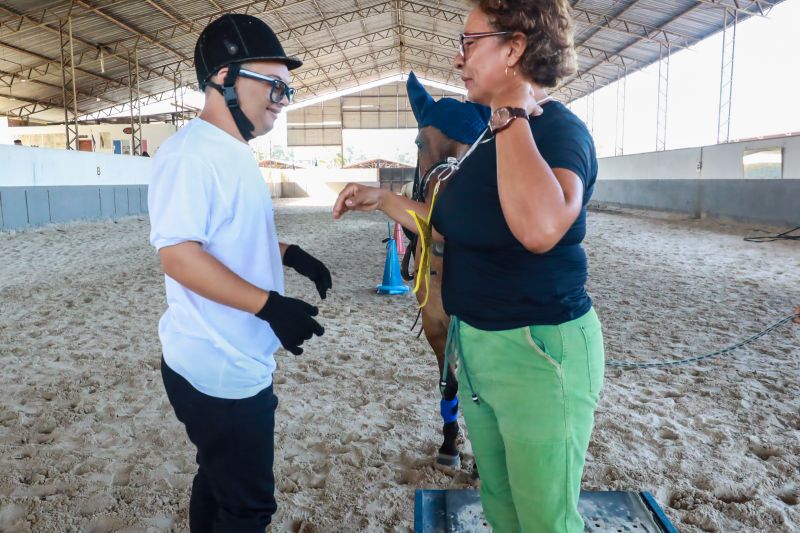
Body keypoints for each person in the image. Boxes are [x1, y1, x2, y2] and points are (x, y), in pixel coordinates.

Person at [334, 1, 601, 531]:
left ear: (516, 47)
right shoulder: (487, 138)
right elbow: (452, 227)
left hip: (537, 354)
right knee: (500, 505)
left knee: (546, 519)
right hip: (477, 347)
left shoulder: (558, 133)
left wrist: (516, 111)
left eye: (470, 42)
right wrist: (385, 201)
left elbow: (542, 228)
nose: (459, 59)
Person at [148, 14, 332, 532]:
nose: (282, 98)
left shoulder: (233, 152)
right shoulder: (191, 155)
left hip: (235, 355)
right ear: (225, 77)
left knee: (218, 479)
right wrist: (269, 306)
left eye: (287, 89)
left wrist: (290, 254)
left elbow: (225, 236)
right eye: (274, 84)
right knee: (249, 509)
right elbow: (179, 255)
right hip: (217, 365)